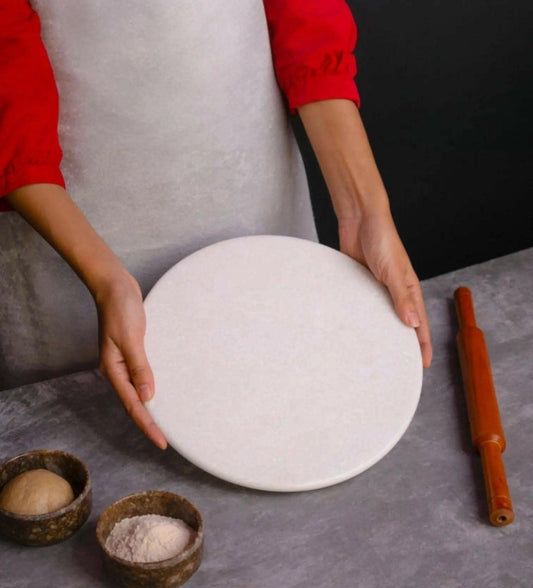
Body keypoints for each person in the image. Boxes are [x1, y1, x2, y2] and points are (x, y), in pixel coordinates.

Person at [0, 0, 432, 450]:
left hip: (246, 176)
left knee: (286, 416)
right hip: (69, 222)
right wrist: (107, 282)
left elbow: (306, 15)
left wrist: (364, 210)